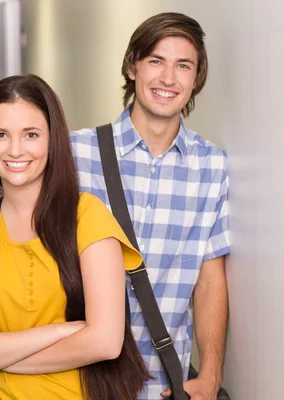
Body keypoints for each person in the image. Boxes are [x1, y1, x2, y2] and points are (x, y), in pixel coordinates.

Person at [0, 74, 150, 400]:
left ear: (52, 139)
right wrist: (64, 329)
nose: (15, 150)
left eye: (31, 134)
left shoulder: (87, 216)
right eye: (1, 134)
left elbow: (106, 342)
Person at [70, 12, 230, 400]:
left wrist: (210, 376)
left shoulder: (212, 166)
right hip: (80, 381)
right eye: (156, 61)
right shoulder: (77, 153)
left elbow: (210, 280)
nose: (168, 78)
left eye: (183, 65)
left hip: (167, 386)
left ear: (196, 79)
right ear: (132, 66)